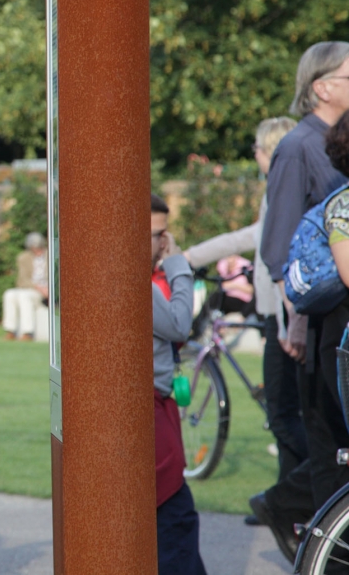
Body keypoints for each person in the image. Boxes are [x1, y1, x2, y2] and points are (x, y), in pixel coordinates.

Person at [251, 41, 349, 564]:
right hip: (318, 317)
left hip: (334, 311)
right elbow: (279, 243)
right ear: (323, 87)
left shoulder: (326, 140)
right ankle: (312, 534)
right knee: (326, 437)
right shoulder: (298, 147)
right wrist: (291, 321)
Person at [185, 117, 305, 517]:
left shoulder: (282, 189)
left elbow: (263, 241)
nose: (254, 154)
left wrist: (186, 258)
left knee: (285, 415)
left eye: (256, 147)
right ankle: (288, 501)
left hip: (283, 316)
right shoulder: (283, 187)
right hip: (281, 314)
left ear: (270, 149)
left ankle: (291, 501)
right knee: (286, 414)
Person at [150, 193, 208, 575]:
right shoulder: (132, 281)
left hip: (157, 404)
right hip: (152, 411)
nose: (163, 242)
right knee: (176, 518)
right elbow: (179, 324)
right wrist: (178, 265)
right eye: (157, 234)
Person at [2, 232, 48, 341]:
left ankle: (27, 332)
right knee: (9, 294)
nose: (37, 250)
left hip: (45, 291)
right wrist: (38, 287)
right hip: (32, 288)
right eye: (34, 248)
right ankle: (10, 330)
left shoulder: (50, 256)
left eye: (39, 247)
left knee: (24, 296)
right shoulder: (23, 258)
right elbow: (22, 280)